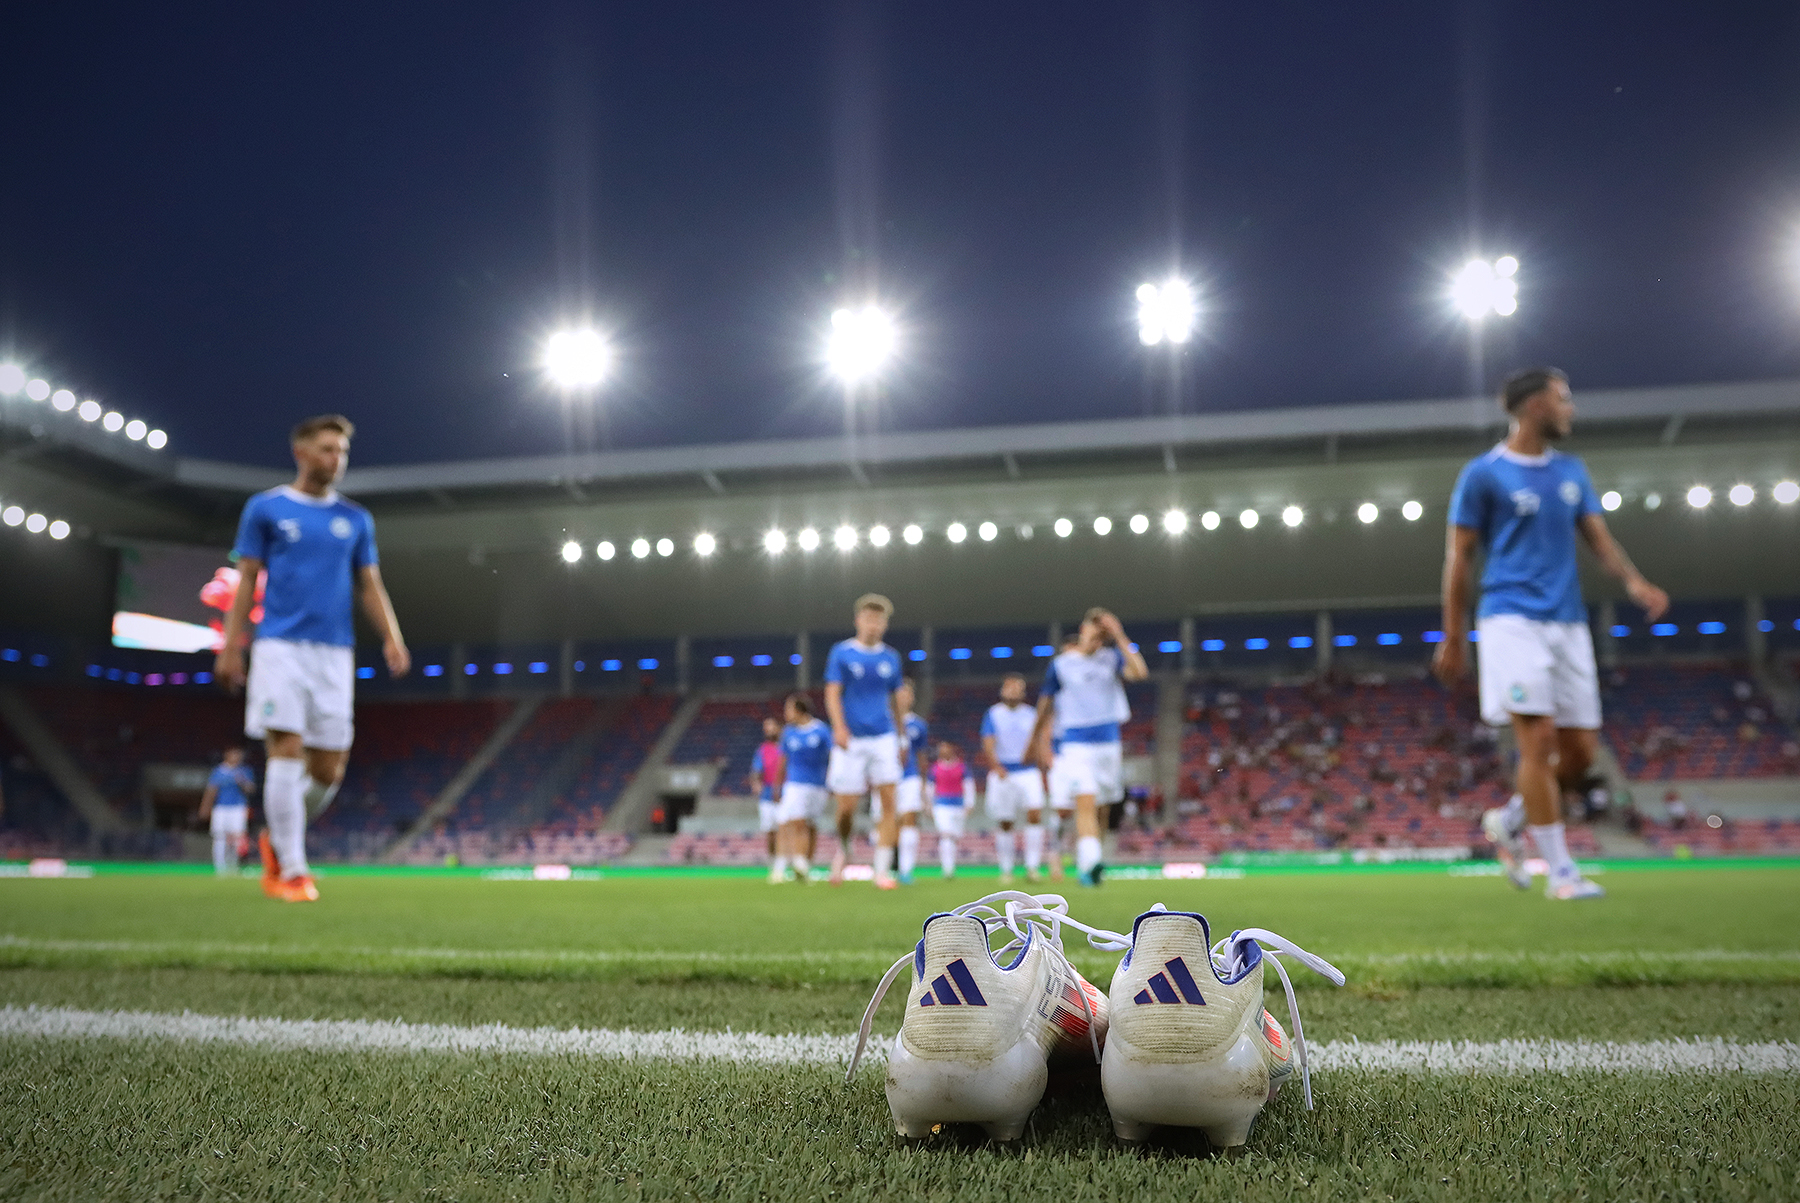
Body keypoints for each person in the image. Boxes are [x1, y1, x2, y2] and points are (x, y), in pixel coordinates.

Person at [1434, 367, 1668, 901]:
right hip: (1510, 618)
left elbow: (1599, 540)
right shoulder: (1484, 474)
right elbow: (1460, 557)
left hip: (1567, 623)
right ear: (1534, 405)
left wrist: (1635, 583)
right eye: (1563, 399)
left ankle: (1514, 819)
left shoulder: (1572, 472)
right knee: (1536, 740)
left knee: (1581, 753)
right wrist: (1453, 635)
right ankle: (1560, 872)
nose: (1571, 409)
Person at [216, 415, 410, 903]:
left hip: (335, 654)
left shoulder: (356, 519)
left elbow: (370, 584)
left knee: (328, 770)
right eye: (327, 449)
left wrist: (392, 637)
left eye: (341, 451)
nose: (336, 459)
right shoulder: (266, 508)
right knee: (285, 748)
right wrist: (231, 645)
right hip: (279, 647)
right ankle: (293, 871)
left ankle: (276, 840)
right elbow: (245, 581)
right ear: (300, 452)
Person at [1029, 608, 1148, 886]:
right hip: (1075, 744)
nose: (1096, 632)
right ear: (1083, 629)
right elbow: (1045, 705)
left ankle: (1092, 858)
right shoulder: (1061, 665)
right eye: (1092, 626)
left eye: (1100, 628)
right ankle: (1090, 866)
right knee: (1086, 800)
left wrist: (1119, 635)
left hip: (1108, 743)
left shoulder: (1111, 658)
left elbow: (1140, 672)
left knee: (1103, 809)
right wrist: (1035, 741)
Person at [823, 593, 907, 888]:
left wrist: (902, 738)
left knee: (888, 804)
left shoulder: (891, 658)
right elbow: (832, 692)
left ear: (885, 624)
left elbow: (896, 701)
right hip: (852, 739)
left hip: (883, 737)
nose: (874, 625)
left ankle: (881, 870)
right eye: (870, 618)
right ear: (859, 620)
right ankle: (844, 850)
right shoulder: (842, 653)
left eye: (880, 620)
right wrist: (839, 728)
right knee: (845, 809)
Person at [980, 673, 1041, 883]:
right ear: (1002, 691)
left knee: (1035, 813)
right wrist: (996, 766)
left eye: (1018, 688)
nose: (1013, 691)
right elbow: (988, 741)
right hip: (1004, 771)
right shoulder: (994, 713)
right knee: (1005, 821)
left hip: (1028, 770)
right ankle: (1006, 869)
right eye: (1010, 687)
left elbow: (1038, 741)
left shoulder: (1032, 713)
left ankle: (1032, 867)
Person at [772, 693, 832, 882]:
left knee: (812, 825)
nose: (786, 713)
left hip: (818, 786)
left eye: (788, 709)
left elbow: (832, 757)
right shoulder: (788, 733)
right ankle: (796, 863)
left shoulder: (821, 731)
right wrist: (778, 784)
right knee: (798, 822)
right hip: (795, 785)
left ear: (799, 710)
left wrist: (832, 782)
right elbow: (783, 760)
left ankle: (806, 864)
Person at [893, 678, 930, 884]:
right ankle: (886, 867)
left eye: (908, 693)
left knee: (909, 820)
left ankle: (906, 870)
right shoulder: (884, 723)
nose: (904, 697)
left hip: (910, 777)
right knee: (888, 823)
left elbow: (922, 756)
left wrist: (923, 781)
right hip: (887, 778)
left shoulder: (918, 725)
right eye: (901, 692)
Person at [197, 747, 257, 877]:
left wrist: (242, 781)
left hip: (238, 808)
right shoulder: (218, 771)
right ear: (227, 755)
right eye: (234, 754)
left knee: (237, 837)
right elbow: (211, 791)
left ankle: (234, 866)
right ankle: (220, 867)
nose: (237, 757)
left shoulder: (244, 771)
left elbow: (251, 789)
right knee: (220, 837)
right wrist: (205, 807)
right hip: (221, 808)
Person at [929, 739, 975, 878]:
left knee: (954, 837)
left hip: (958, 805)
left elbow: (968, 785)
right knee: (946, 835)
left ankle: (951, 865)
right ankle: (947, 869)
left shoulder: (962, 767)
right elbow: (930, 788)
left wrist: (969, 804)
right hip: (941, 805)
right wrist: (929, 805)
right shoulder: (935, 768)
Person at [749, 716, 785, 881]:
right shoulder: (762, 749)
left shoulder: (786, 747)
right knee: (770, 832)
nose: (768, 730)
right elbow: (756, 770)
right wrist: (756, 783)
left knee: (784, 831)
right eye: (766, 727)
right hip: (767, 796)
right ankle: (774, 862)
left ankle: (782, 865)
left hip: (785, 795)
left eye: (771, 727)